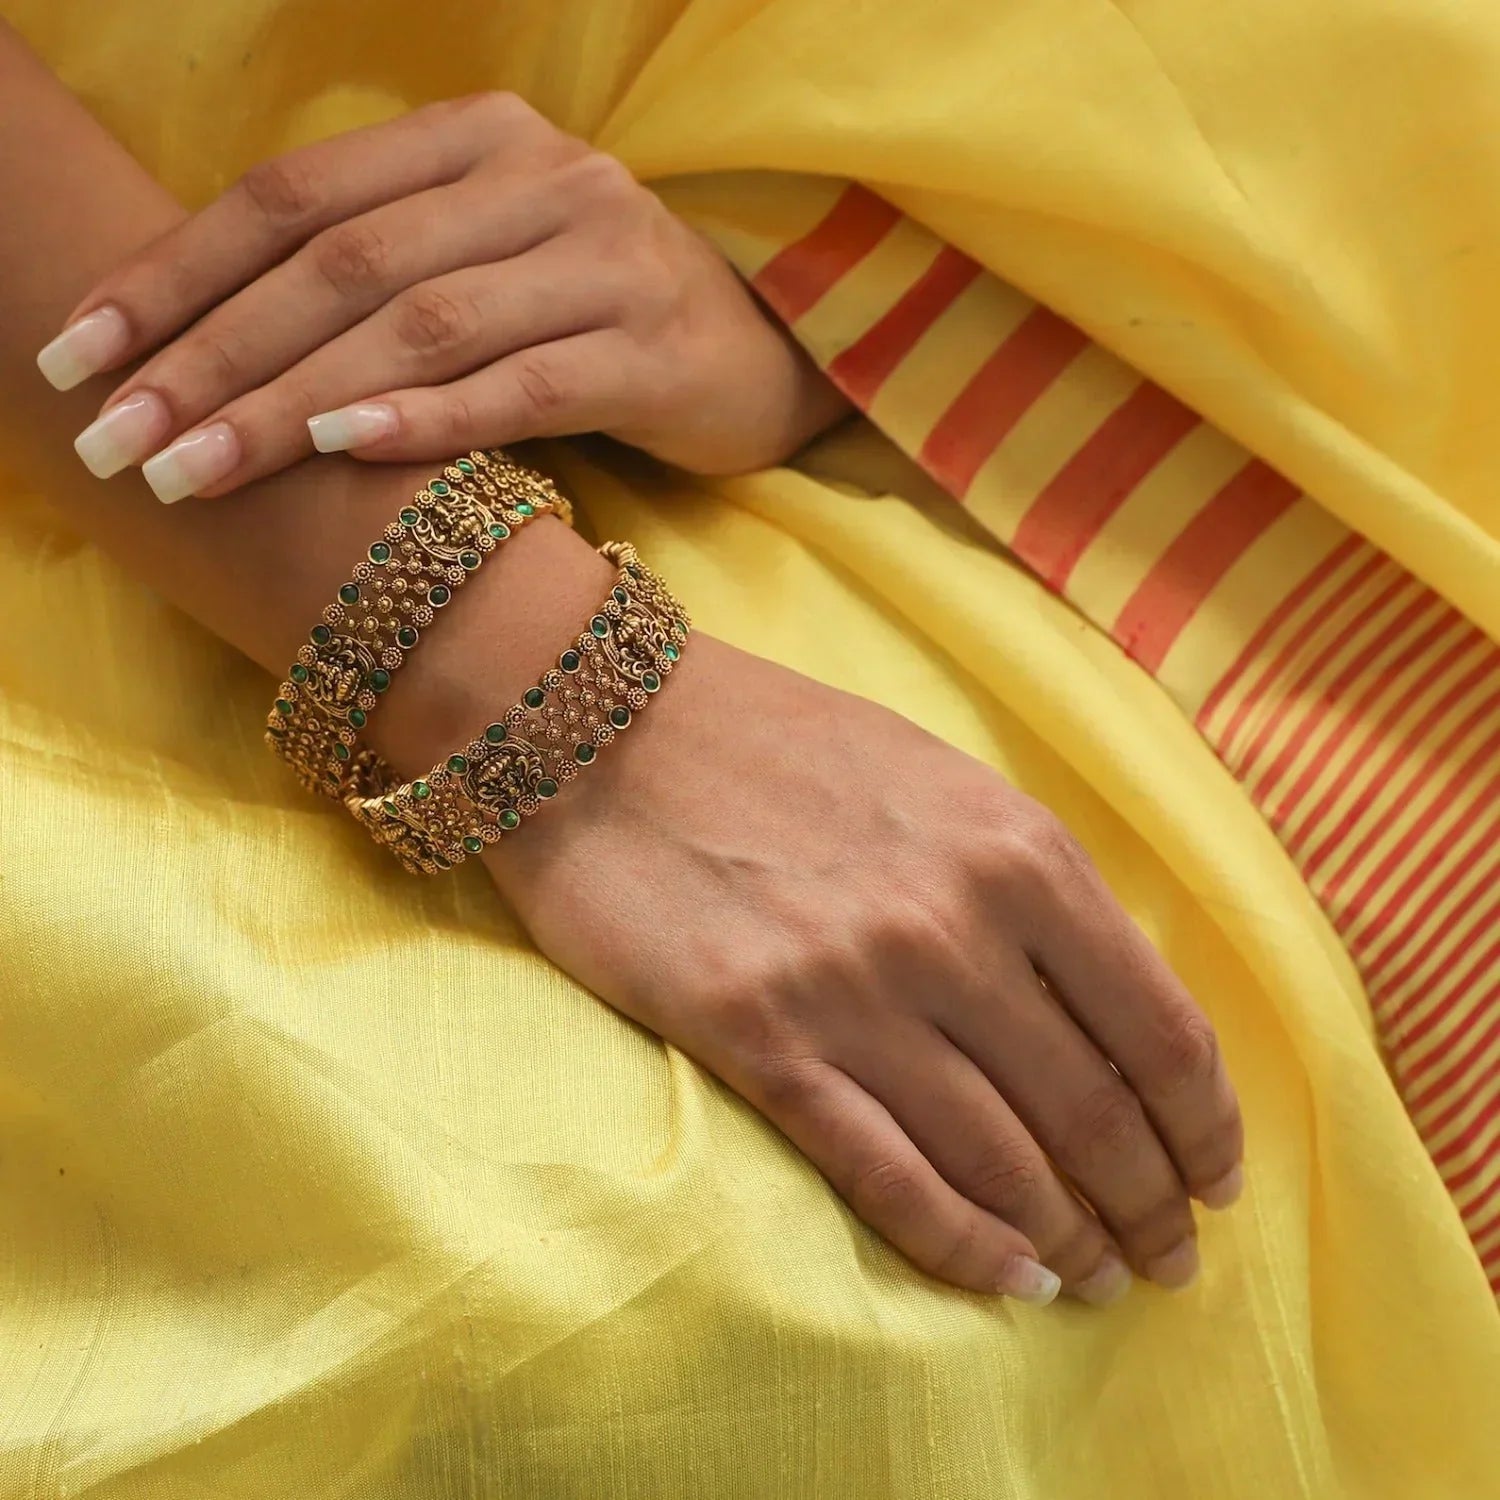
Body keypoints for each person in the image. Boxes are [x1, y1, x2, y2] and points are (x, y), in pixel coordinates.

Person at [1, 3, 1496, 1496]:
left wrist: (790, 290)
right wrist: (530, 679)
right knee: (688, 1317)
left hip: (897, 223)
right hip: (117, 424)